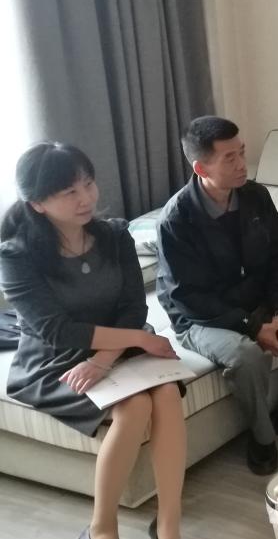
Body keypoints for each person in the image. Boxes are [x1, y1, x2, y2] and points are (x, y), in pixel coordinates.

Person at [1, 143, 185, 539]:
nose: (85, 198)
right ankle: (102, 529)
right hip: (55, 359)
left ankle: (169, 527)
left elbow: (134, 307)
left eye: (88, 183)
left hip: (120, 345)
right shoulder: (16, 256)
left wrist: (105, 357)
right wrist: (135, 340)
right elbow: (56, 330)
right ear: (37, 204)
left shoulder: (114, 234)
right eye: (69, 191)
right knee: (135, 405)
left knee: (168, 394)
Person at [157, 116, 278, 475]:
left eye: (242, 152)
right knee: (247, 356)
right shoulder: (177, 220)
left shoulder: (255, 196)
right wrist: (252, 326)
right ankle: (262, 439)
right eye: (229, 158)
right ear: (201, 168)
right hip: (202, 318)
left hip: (258, 302)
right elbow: (190, 297)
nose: (241, 164)